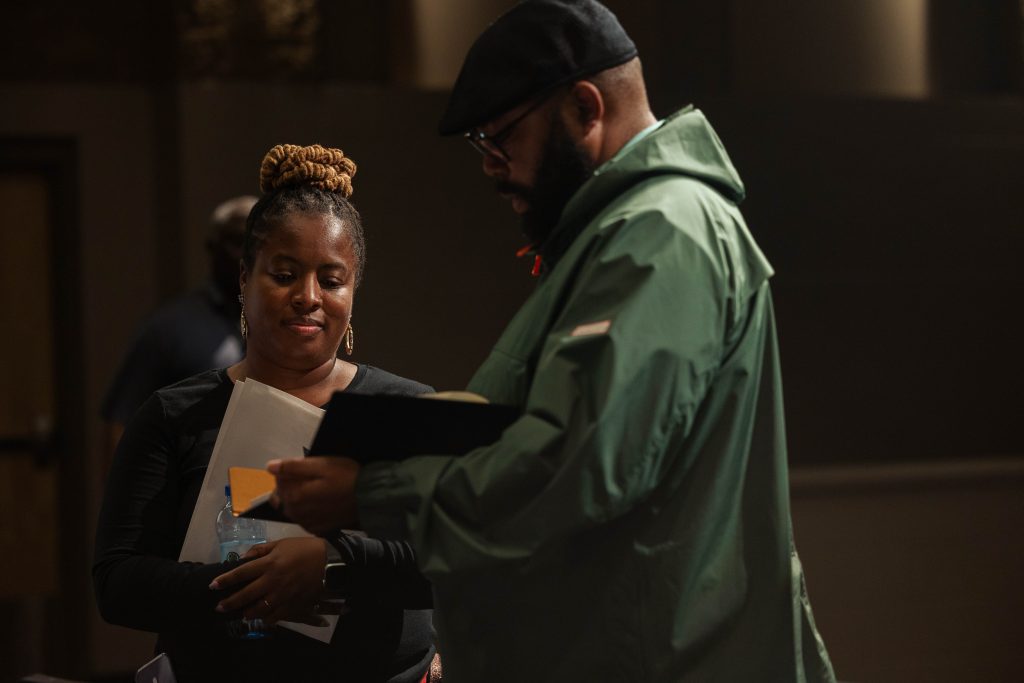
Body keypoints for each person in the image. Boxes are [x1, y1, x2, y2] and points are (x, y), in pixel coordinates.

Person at [269, 2, 836, 681]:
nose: (491, 166)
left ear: (585, 109)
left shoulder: (665, 233)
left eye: (501, 138)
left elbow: (581, 463)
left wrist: (378, 490)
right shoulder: (613, 239)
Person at [93, 144, 436, 683]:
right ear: (243, 279)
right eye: (284, 274)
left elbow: (454, 557)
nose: (308, 296)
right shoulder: (174, 416)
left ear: (353, 291)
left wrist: (331, 566)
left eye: (331, 278)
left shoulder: (406, 410)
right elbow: (118, 584)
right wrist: (248, 583)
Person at [100, 196, 255, 465]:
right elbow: (121, 423)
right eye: (237, 242)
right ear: (212, 247)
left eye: (256, 245)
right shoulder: (169, 327)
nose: (246, 256)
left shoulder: (281, 324)